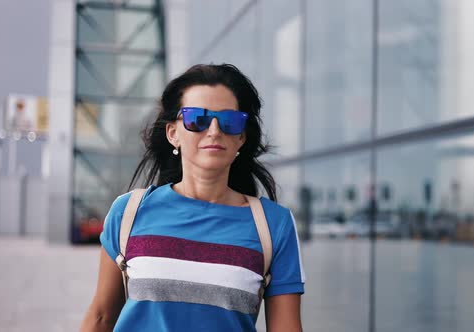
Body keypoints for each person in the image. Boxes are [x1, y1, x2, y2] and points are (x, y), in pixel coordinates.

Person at [80, 64, 305, 331]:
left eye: (229, 121)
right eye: (197, 118)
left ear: (241, 137)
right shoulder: (128, 212)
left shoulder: (273, 225)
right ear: (173, 133)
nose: (213, 130)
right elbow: (100, 318)